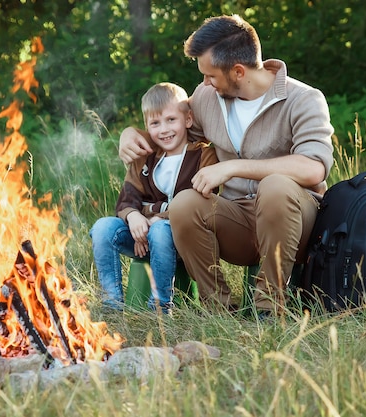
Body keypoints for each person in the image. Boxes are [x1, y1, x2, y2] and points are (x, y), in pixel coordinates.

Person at [118, 15, 334, 319]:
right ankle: (219, 311)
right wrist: (132, 134)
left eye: (210, 76)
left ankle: (268, 309)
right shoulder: (208, 97)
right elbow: (172, 132)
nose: (204, 83)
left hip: (295, 223)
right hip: (238, 222)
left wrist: (233, 168)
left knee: (275, 186)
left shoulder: (304, 99)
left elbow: (313, 168)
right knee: (185, 203)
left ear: (238, 71)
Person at [90, 82, 218, 314]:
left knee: (160, 231)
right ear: (147, 127)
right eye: (155, 123)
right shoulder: (144, 158)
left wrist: (153, 218)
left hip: (183, 239)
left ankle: (160, 306)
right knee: (102, 228)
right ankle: (112, 303)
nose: (164, 129)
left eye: (171, 120)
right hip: (143, 235)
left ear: (188, 120)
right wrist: (134, 217)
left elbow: (201, 201)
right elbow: (127, 198)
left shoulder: (203, 155)